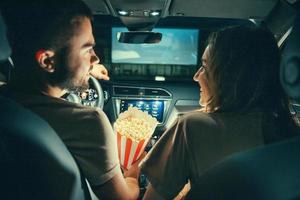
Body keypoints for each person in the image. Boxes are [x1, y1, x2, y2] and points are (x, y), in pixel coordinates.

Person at [0, 0, 141, 199]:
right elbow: (123, 198)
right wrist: (134, 173)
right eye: (87, 49)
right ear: (48, 61)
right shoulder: (88, 122)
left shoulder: (7, 108)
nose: (96, 59)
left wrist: (85, 68)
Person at [140, 25, 300, 199]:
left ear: (229, 77)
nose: (196, 76)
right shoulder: (292, 134)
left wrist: (132, 177)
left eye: (205, 67)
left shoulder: (191, 126)